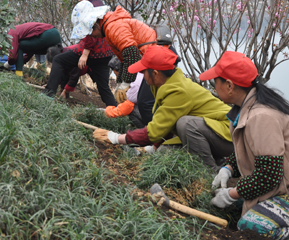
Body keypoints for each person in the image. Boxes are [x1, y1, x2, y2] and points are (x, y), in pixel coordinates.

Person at [200, 51, 289, 240]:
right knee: (227, 207)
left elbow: (268, 176)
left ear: (229, 85)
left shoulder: (262, 117)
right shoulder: (245, 107)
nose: (213, 86)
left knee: (251, 227)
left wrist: (232, 193)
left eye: (215, 82)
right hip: (284, 185)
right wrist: (228, 168)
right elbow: (250, 151)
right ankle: (288, 218)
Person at [93, 45, 234, 171]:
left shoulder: (178, 91)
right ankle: (215, 159)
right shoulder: (162, 84)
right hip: (207, 133)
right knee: (164, 151)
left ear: (155, 73)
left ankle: (210, 172)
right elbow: (166, 122)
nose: (141, 76)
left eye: (143, 72)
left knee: (185, 124)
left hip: (229, 135)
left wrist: (117, 138)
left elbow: (154, 131)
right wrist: (154, 147)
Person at [44, 0, 117, 106]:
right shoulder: (104, 17)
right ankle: (115, 112)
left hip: (93, 52)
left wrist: (85, 54)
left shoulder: (92, 21)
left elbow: (90, 37)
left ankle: (48, 95)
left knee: (58, 60)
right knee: (103, 88)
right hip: (105, 55)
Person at [87, 4, 157, 104]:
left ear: (96, 26)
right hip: (152, 57)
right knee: (148, 101)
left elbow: (132, 55)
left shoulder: (113, 27)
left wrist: (126, 83)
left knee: (146, 103)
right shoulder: (111, 26)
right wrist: (120, 83)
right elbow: (124, 60)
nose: (93, 37)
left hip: (157, 58)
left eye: (91, 33)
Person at [105, 56, 145, 128]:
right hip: (151, 107)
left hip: (152, 113)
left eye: (115, 72)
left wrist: (109, 112)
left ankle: (144, 130)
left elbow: (128, 106)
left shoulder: (134, 83)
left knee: (131, 110)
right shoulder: (137, 74)